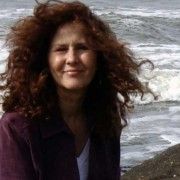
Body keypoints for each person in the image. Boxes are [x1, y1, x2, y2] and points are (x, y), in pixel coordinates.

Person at [0, 1, 153, 180]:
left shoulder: (105, 119)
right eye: (61, 49)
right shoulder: (17, 127)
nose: (72, 59)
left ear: (99, 57)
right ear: (44, 60)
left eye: (82, 48)